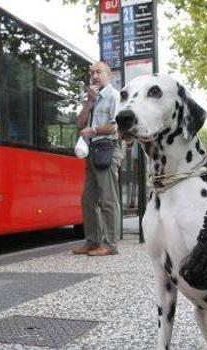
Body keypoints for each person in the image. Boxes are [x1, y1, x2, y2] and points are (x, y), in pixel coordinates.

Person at [72, 61, 124, 256]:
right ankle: (92, 241)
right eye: (92, 72)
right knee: (88, 199)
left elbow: (115, 126)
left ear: (108, 76)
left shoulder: (114, 96)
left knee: (108, 200)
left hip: (108, 148)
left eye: (99, 72)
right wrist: (89, 102)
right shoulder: (92, 98)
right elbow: (80, 123)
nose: (94, 76)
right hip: (92, 150)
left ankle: (110, 245)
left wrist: (93, 130)